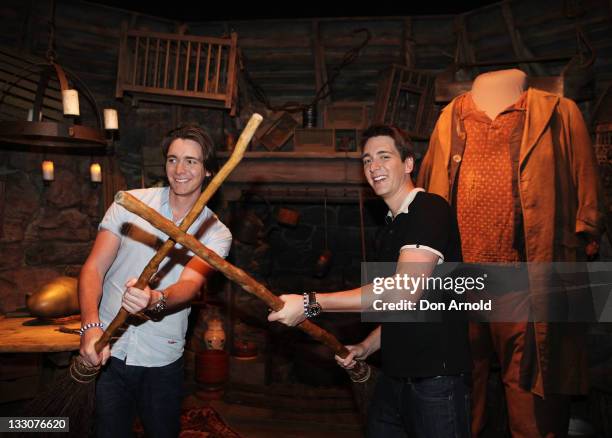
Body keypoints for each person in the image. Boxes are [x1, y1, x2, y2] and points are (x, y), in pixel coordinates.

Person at [417, 69, 606, 437]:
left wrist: (589, 225)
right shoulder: (450, 117)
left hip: (525, 278)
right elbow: (429, 185)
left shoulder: (560, 113)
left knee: (530, 389)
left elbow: (586, 178)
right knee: (458, 384)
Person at [268, 124, 471, 437]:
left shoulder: (429, 209)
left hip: (434, 382)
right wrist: (366, 345)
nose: (373, 166)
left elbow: (403, 293)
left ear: (408, 164)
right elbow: (398, 309)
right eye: (366, 160)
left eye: (383, 156)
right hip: (393, 378)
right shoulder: (389, 229)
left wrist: (311, 303)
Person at [78, 124, 232, 438]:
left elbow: (189, 286)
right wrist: (89, 326)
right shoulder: (129, 203)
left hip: (161, 358)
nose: (180, 169)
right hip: (108, 347)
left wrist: (154, 299)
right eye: (173, 159)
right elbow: (93, 268)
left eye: (192, 161)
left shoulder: (216, 233)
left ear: (208, 171)